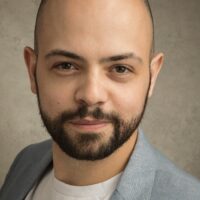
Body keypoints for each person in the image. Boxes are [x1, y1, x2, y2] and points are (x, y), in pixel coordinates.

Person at [0, 0, 200, 199]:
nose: (91, 95)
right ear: (32, 71)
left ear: (152, 77)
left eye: (120, 68)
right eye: (66, 66)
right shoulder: (26, 162)